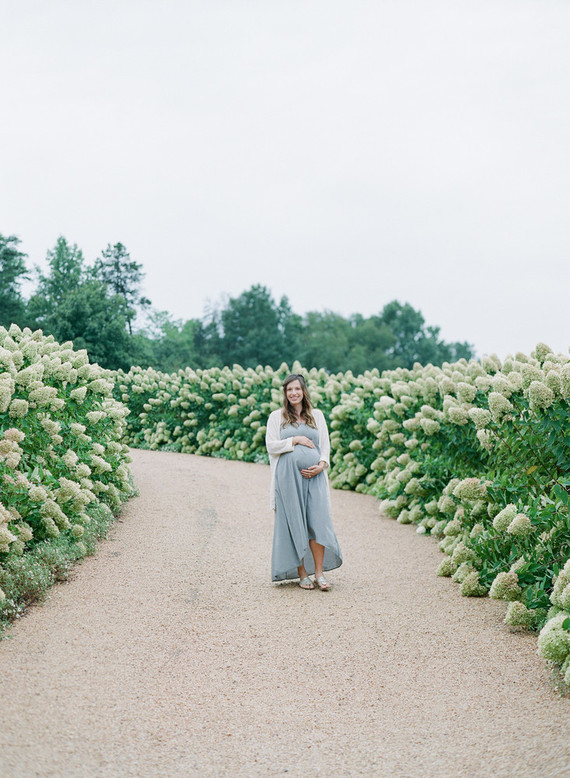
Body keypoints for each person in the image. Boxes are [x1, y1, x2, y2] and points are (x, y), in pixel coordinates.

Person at [265, 373, 342, 590]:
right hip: (288, 479)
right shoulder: (276, 417)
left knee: (319, 522)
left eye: (297, 389)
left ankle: (319, 573)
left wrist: (322, 464)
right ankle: (302, 573)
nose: (293, 393)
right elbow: (271, 445)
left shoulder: (316, 415)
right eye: (289, 390)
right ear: (285, 393)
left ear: (303, 391)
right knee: (295, 522)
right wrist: (295, 440)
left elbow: (325, 445)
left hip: (315, 477)